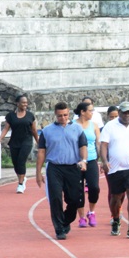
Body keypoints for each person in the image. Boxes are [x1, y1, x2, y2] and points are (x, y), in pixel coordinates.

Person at [36, 102, 88, 240]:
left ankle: (66, 220)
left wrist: (84, 160)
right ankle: (59, 229)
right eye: (60, 116)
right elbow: (41, 152)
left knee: (75, 199)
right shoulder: (47, 131)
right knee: (55, 198)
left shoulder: (77, 129)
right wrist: (38, 172)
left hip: (73, 167)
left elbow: (83, 146)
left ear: (69, 113)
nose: (63, 118)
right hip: (55, 168)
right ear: (55, 114)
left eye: (65, 115)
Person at [100, 101, 129, 238]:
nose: (127, 115)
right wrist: (104, 161)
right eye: (124, 112)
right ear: (119, 112)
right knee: (116, 197)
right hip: (115, 167)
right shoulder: (110, 126)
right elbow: (103, 145)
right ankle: (116, 219)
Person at [0, 94, 39, 193]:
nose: (25, 104)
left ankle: (20, 184)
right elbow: (6, 128)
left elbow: (34, 130)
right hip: (14, 142)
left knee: (21, 161)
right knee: (16, 163)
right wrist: (0, 138)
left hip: (27, 141)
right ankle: (22, 178)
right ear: (18, 103)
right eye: (23, 102)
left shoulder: (30, 115)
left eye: (26, 102)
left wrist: (38, 141)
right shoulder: (11, 116)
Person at [73, 102, 101, 228]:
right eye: (90, 110)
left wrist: (100, 160)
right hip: (76, 161)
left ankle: (92, 212)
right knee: (78, 190)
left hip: (91, 160)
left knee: (94, 187)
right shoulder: (73, 126)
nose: (92, 113)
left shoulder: (94, 125)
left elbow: (98, 143)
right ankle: (81, 217)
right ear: (82, 112)